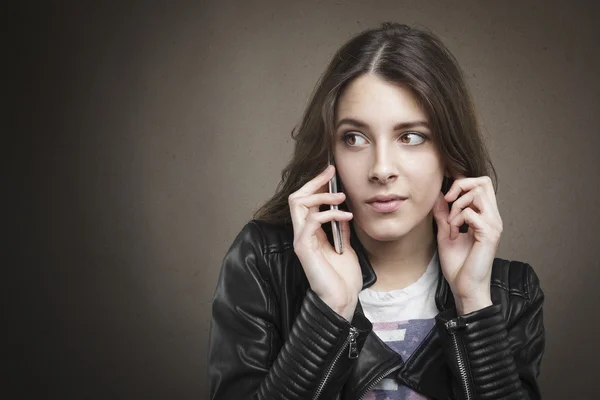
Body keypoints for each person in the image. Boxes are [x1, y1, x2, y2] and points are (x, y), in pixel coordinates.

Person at [207, 22, 545, 400]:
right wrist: (330, 309)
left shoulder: (510, 293)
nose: (381, 169)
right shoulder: (264, 264)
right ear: (329, 152)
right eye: (354, 138)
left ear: (449, 153)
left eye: (411, 137)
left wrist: (473, 305)